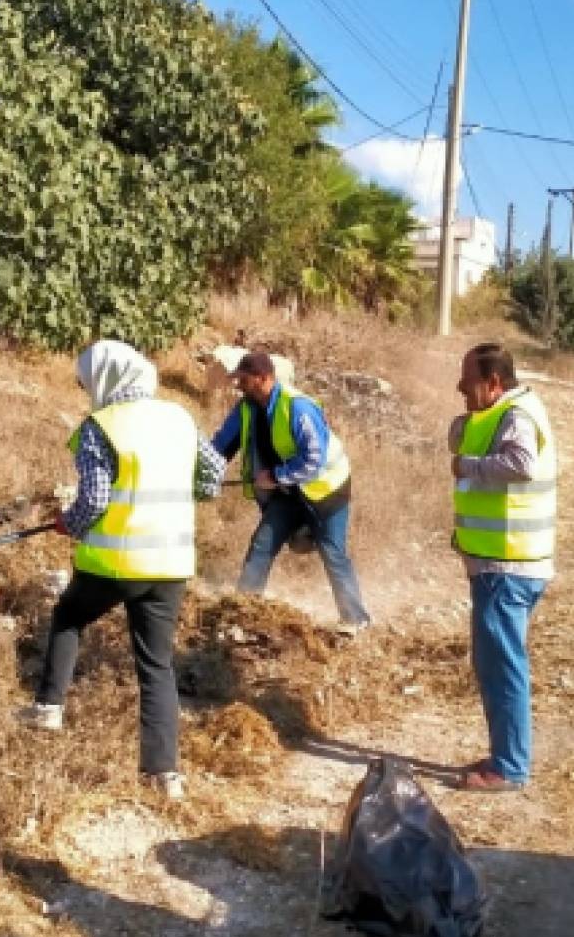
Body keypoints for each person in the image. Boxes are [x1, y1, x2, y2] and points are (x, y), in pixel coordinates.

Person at [19, 339, 227, 800]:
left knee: (69, 617)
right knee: (156, 664)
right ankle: (164, 775)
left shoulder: (102, 426)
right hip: (170, 564)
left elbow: (94, 500)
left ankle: (49, 707)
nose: (85, 390)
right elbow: (212, 478)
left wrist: (69, 523)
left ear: (104, 378)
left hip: (116, 561)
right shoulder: (179, 417)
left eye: (85, 382)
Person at [448, 343, 556, 792]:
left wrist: (467, 466)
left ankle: (509, 767)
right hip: (504, 563)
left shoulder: (515, 415)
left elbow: (521, 464)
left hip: (508, 565)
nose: (460, 387)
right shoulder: (502, 411)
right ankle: (505, 755)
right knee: (495, 662)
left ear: (493, 382)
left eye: (468, 380)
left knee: (503, 666)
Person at [211, 351, 373, 633]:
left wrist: (275, 476)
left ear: (263, 378)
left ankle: (356, 620)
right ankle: (242, 614)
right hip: (288, 491)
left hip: (327, 491)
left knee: (332, 553)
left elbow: (314, 459)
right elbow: (220, 447)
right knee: (262, 545)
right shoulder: (246, 408)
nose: (238, 384)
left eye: (244, 379)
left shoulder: (298, 407)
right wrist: (202, 475)